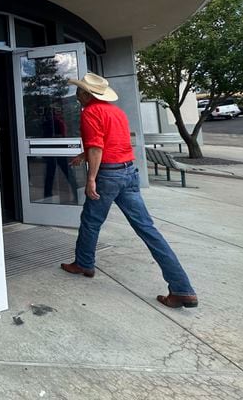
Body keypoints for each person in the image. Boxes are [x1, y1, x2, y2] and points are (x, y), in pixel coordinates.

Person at [60, 73, 198, 309]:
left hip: (108, 175)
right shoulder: (117, 112)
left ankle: (83, 263)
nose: (76, 97)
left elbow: (97, 147)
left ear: (86, 94)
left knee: (91, 221)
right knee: (147, 229)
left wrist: (91, 178)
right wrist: (83, 156)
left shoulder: (91, 113)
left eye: (78, 93)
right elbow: (112, 143)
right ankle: (182, 288)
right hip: (128, 173)